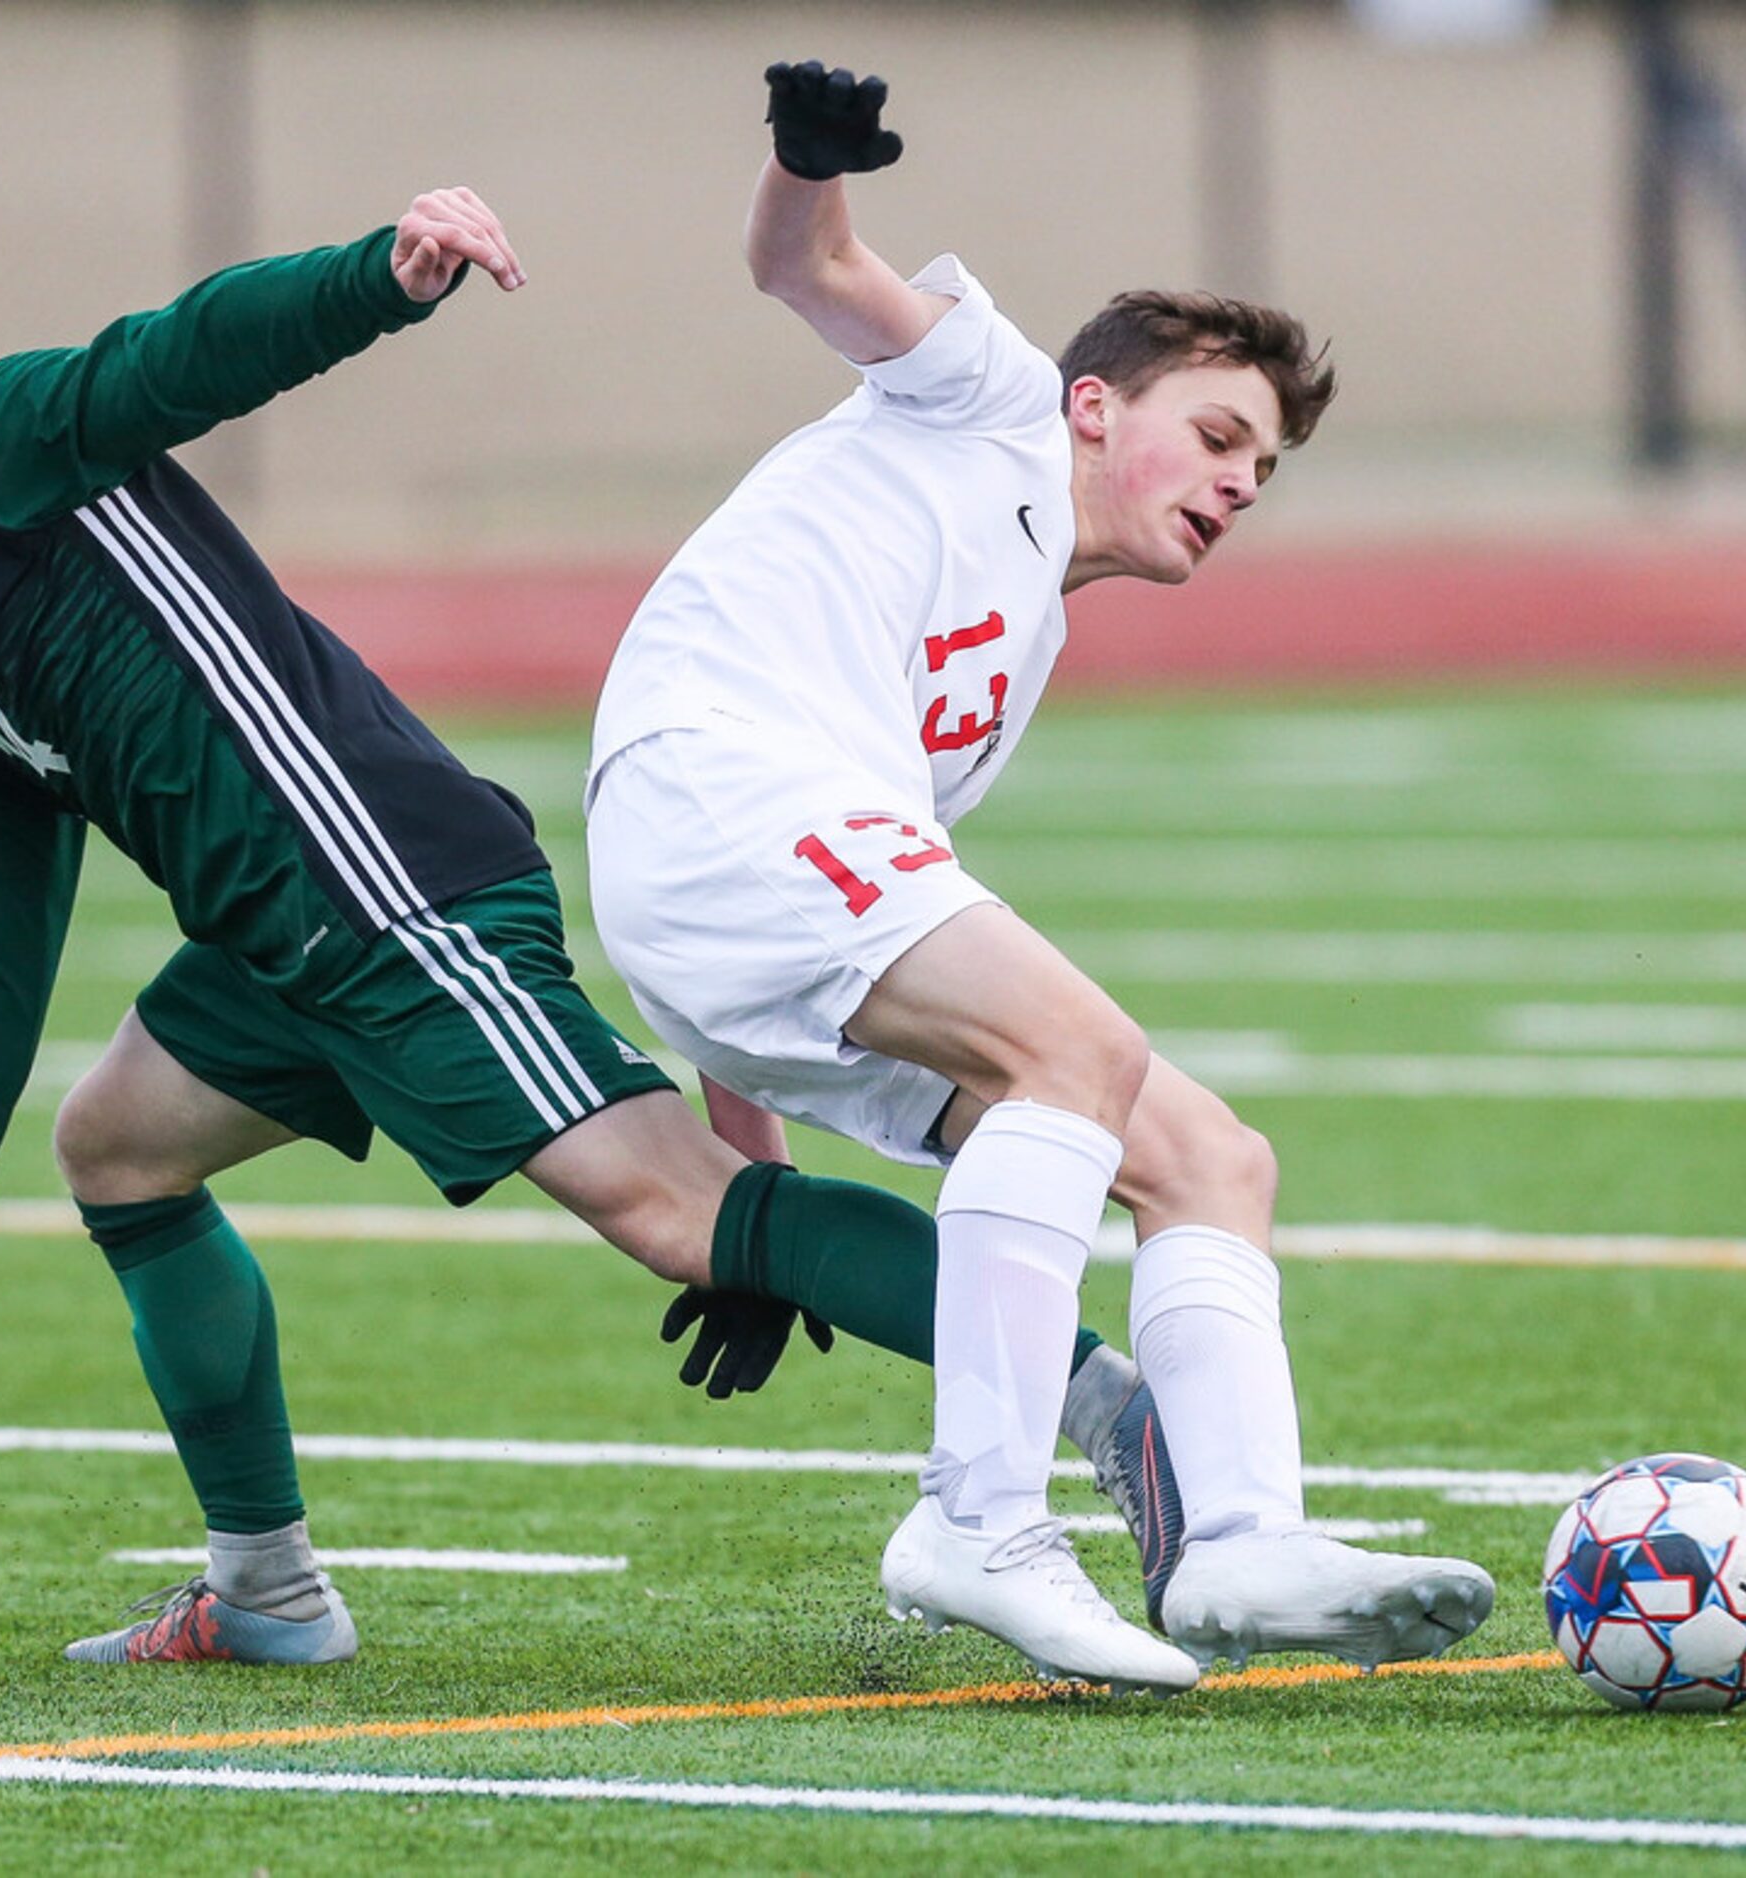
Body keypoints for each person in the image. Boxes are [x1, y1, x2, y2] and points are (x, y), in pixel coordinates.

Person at [0, 185, 1186, 1681]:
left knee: (684, 1218)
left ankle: (1113, 1407)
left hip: (392, 892)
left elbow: (171, 358)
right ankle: (269, 1588)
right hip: (282, 951)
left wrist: (379, 275)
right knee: (116, 1146)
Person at [585, 65, 1497, 1675]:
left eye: (1262, 470)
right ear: (1096, 408)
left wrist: (752, 1179)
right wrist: (808, 163)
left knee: (1208, 1158)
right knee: (1073, 1049)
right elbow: (805, 266)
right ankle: (977, 1517)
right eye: (1216, 434)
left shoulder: (1018, 647)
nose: (1236, 482)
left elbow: (821, 956)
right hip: (708, 787)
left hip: (741, 874)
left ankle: (1235, 1541)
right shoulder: (997, 393)